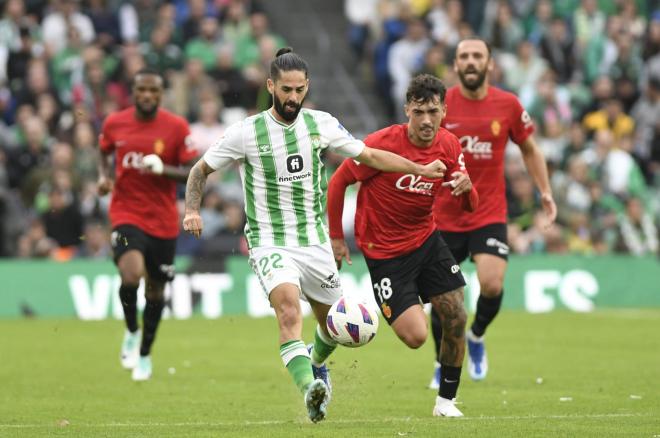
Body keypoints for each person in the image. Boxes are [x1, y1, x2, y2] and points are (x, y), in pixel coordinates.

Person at [182, 48, 446, 423]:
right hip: (269, 241)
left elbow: (370, 156)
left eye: (299, 90)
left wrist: (419, 168)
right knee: (288, 309)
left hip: (314, 242)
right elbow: (199, 170)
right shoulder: (246, 132)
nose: (293, 97)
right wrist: (192, 209)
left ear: (307, 87)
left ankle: (317, 362)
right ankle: (311, 390)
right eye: (286, 89)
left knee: (333, 327)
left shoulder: (321, 124)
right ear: (271, 85)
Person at [327, 74, 478, 417]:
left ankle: (446, 402)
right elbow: (338, 182)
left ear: (444, 111)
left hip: (426, 239)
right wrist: (336, 237)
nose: (426, 120)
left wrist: (467, 187)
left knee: (456, 315)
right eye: (420, 111)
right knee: (416, 337)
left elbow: (470, 206)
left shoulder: (450, 145)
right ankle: (407, 300)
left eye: (433, 111)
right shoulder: (381, 143)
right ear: (407, 109)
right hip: (385, 254)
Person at [428, 38, 557, 387]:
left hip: (488, 212)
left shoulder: (508, 105)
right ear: (455, 66)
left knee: (492, 282)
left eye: (477, 56)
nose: (470, 62)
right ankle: (442, 362)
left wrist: (545, 192)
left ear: (489, 64)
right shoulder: (439, 106)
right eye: (464, 57)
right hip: (443, 216)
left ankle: (477, 336)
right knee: (443, 302)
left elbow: (530, 148)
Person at [97, 68, 198, 381]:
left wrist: (164, 169)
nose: (147, 96)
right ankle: (131, 329)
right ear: (134, 92)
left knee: (155, 293)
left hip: (163, 222)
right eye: (142, 90)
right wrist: (105, 177)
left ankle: (144, 353)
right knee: (130, 275)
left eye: (154, 91)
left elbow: (194, 170)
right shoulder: (115, 123)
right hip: (125, 215)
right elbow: (103, 152)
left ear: (161, 94)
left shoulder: (176, 127)